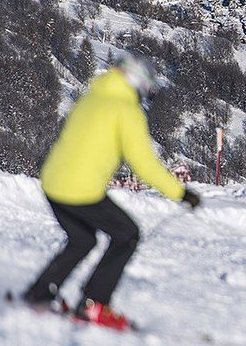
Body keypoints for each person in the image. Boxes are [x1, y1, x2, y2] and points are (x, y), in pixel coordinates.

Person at [22, 54, 201, 330]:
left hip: (53, 183)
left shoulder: (92, 97)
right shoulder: (125, 109)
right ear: (138, 83)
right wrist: (180, 193)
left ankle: (39, 294)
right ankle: (94, 304)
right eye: (147, 90)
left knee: (82, 240)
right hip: (80, 189)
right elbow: (143, 163)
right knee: (127, 235)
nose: (145, 97)